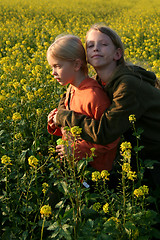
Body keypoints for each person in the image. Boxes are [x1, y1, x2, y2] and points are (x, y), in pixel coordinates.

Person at [52, 24, 160, 166]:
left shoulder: (128, 85)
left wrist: (63, 117)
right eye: (90, 46)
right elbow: (69, 96)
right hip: (141, 150)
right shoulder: (100, 81)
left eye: (103, 44)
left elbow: (105, 132)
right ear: (86, 57)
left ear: (117, 54)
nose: (96, 48)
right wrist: (60, 112)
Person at [47, 34, 120, 172]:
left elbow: (110, 138)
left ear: (76, 65)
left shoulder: (94, 96)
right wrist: (56, 120)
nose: (53, 72)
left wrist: (76, 150)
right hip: (75, 164)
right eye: (52, 67)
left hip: (96, 170)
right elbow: (73, 124)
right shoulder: (71, 89)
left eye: (57, 66)